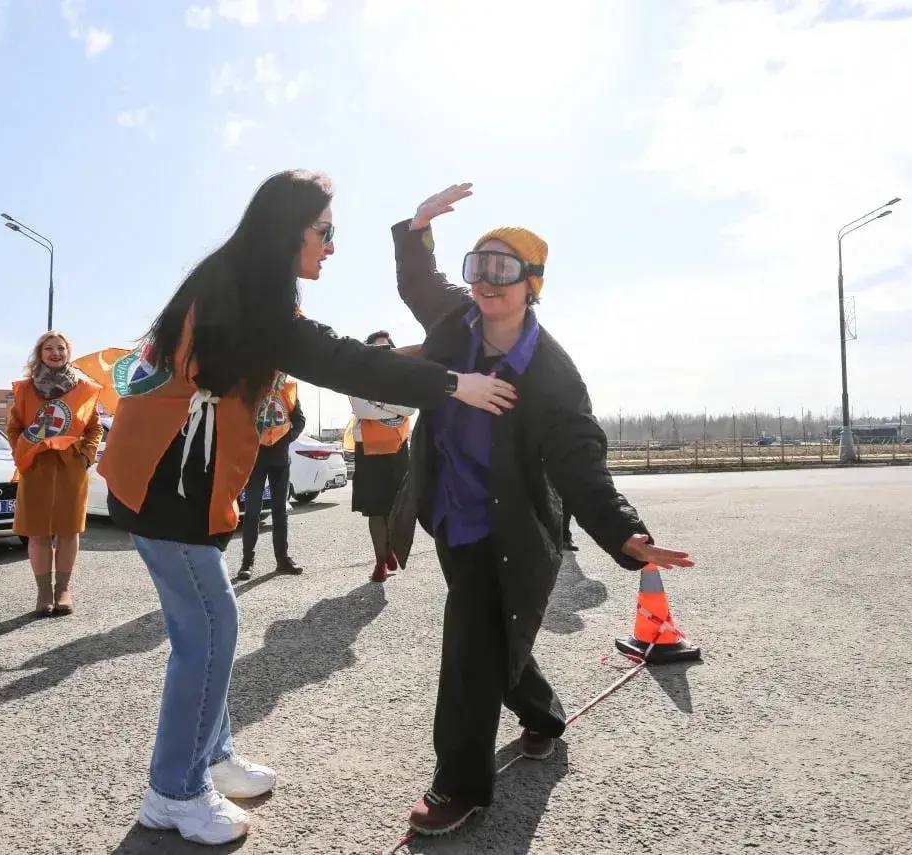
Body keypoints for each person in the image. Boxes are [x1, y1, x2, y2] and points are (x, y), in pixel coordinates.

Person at [97, 170, 517, 846]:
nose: (331, 245)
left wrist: (437, 364)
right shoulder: (243, 295)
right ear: (285, 228)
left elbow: (336, 355)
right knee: (208, 628)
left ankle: (209, 755)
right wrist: (450, 383)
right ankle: (172, 792)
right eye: (325, 231)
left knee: (204, 627)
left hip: (178, 481)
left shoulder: (242, 282)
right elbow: (337, 360)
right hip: (165, 485)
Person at [389, 184, 694, 836]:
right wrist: (415, 231)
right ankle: (545, 716)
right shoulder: (455, 323)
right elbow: (419, 285)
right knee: (494, 637)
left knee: (471, 648)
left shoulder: (551, 374)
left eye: (503, 269)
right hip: (448, 514)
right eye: (478, 266)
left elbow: (580, 465)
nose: (486, 282)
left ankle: (458, 786)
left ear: (533, 284)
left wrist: (625, 532)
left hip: (512, 531)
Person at [7, 331, 103, 616]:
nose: (55, 352)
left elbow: (94, 428)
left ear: (68, 352)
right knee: (37, 532)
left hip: (70, 467)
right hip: (35, 467)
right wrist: (22, 451)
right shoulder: (24, 389)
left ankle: (63, 589)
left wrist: (85, 456)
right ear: (40, 353)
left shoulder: (85, 389)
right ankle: (43, 592)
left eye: (61, 347)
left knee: (68, 530)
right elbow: (14, 428)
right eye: (49, 348)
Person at [349, 330, 416, 582]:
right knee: (375, 508)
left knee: (395, 507)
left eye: (388, 348)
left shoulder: (402, 378)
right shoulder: (357, 377)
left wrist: (377, 403)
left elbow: (409, 408)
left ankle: (390, 548)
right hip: (369, 450)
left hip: (398, 449)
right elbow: (360, 408)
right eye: (377, 349)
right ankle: (380, 562)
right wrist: (391, 405)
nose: (383, 353)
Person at [235, 374, 305, 580]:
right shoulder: (250, 385)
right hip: (255, 459)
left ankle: (282, 559)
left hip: (280, 460)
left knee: (280, 511)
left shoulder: (289, 389)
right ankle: (247, 562)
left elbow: (299, 420)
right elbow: (239, 418)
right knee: (252, 512)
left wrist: (284, 439)